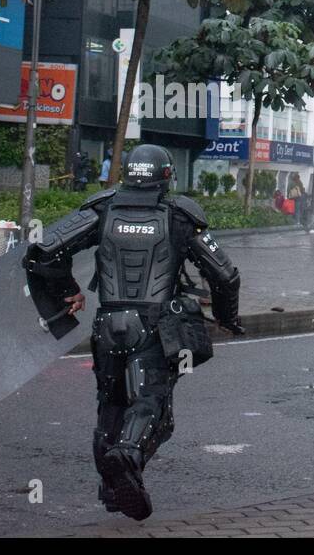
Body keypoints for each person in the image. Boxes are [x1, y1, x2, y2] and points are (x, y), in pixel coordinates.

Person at [22, 144, 241, 521]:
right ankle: (127, 457)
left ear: (126, 172)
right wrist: (226, 317)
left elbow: (43, 253)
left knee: (111, 404)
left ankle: (112, 490)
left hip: (108, 327)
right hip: (156, 327)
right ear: (167, 175)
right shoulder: (181, 215)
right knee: (152, 406)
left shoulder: (102, 208)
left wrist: (67, 292)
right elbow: (226, 275)